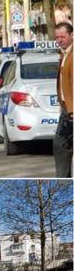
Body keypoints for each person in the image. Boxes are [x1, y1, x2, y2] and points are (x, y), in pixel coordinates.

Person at [55, 22, 72, 178]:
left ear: (72, 36)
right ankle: (63, 179)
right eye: (57, 37)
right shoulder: (64, 54)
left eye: (63, 37)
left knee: (61, 146)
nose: (59, 40)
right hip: (66, 110)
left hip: (71, 111)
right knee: (61, 147)